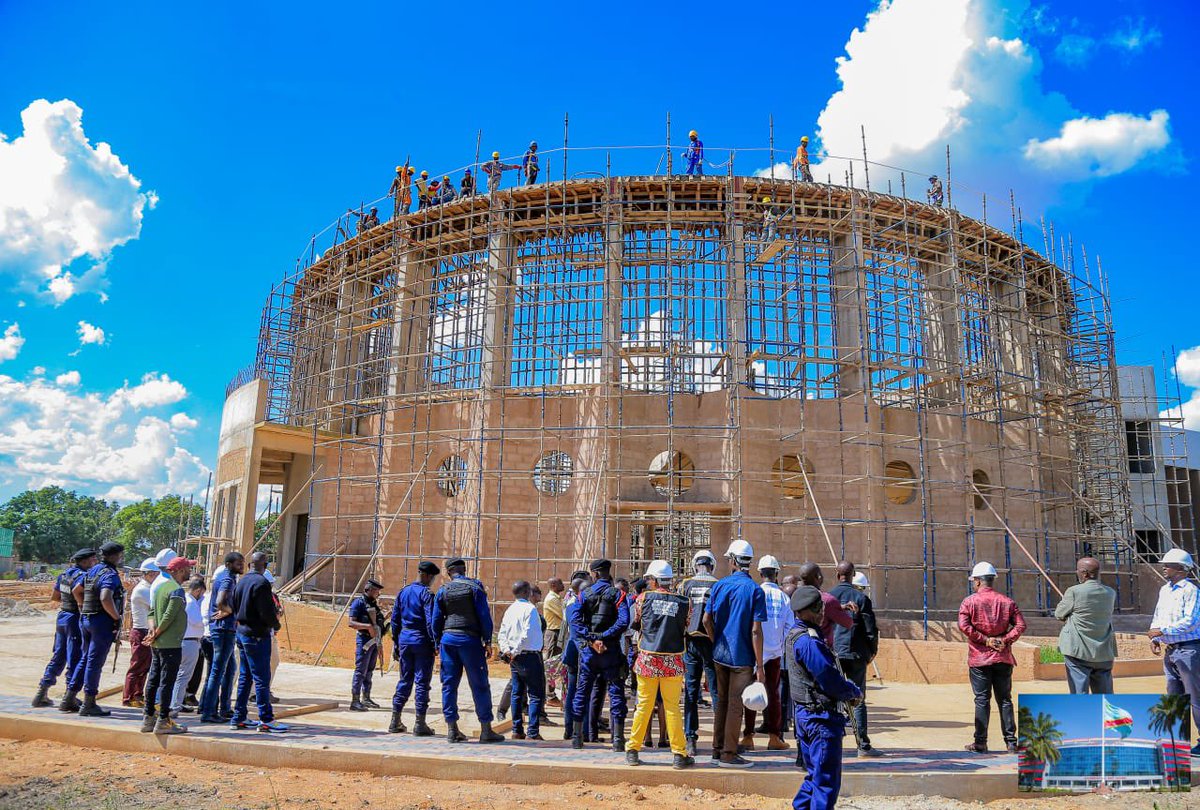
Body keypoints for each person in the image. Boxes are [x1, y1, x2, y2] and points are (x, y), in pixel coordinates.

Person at [787, 585, 862, 810]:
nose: (822, 613)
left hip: (807, 715)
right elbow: (828, 679)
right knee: (826, 782)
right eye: (817, 609)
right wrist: (852, 692)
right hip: (819, 719)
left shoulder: (796, 634)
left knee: (815, 777)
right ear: (803, 611)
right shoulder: (809, 642)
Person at [703, 539, 767, 768]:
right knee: (735, 705)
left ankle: (717, 750)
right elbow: (756, 630)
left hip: (720, 654)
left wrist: (716, 640)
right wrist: (760, 667)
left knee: (721, 703)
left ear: (732, 561)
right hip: (742, 658)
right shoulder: (755, 591)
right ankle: (729, 754)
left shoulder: (719, 585)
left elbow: (706, 620)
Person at [624, 560, 694, 769]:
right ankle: (679, 754)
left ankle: (633, 749)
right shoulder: (684, 602)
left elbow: (636, 623)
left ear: (653, 580)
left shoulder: (643, 598)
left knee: (643, 705)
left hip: (647, 659)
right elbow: (686, 625)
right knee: (672, 707)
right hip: (673, 660)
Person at [432, 557, 504, 743]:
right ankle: (486, 730)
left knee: (449, 685)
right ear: (464, 570)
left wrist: (437, 642)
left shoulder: (442, 590)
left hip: (448, 641)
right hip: (469, 640)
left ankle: (451, 729)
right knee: (479, 684)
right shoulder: (475, 587)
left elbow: (436, 620)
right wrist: (487, 640)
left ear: (448, 572)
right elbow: (484, 616)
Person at [958, 561, 1025, 754]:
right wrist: (1005, 640)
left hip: (979, 659)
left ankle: (980, 742)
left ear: (978, 581)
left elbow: (964, 626)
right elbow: (1020, 626)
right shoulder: (1007, 602)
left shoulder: (969, 602)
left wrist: (985, 640)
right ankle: (1011, 743)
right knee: (1005, 700)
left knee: (981, 700)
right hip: (1003, 659)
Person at [570, 558, 631, 751]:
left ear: (595, 574)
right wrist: (604, 637)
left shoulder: (584, 594)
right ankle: (618, 740)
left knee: (582, 692)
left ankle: (577, 738)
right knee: (615, 693)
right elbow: (623, 622)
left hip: (590, 650)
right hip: (610, 650)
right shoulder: (618, 594)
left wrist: (592, 639)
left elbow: (575, 621)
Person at [1149, 548, 1200, 755]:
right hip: (1171, 651)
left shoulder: (1191, 590)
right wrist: (1155, 637)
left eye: (1168, 564)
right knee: (1174, 696)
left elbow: (1191, 621)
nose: (1164, 567)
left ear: (1180, 568)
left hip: (1189, 650)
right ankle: (1179, 742)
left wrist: (1163, 631)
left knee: (1195, 696)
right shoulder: (1164, 590)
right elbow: (1158, 615)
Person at [67, 541, 125, 717]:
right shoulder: (109, 574)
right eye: (121, 555)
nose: (122, 558)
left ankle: (69, 697)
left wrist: (83, 607)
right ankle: (89, 702)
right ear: (115, 556)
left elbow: (77, 590)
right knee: (94, 662)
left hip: (87, 619)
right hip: (101, 622)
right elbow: (106, 597)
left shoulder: (94, 570)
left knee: (85, 659)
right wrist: (116, 617)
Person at [230, 552, 286, 733]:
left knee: (246, 677)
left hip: (242, 633)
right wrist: (275, 624)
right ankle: (266, 719)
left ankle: (239, 717)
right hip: (257, 635)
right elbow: (266, 612)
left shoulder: (242, 581)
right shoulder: (261, 583)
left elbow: (234, 605)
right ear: (265, 565)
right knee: (262, 678)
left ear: (249, 565)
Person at [830, 560, 881, 757]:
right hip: (856, 654)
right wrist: (871, 653)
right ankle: (863, 746)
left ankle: (833, 744)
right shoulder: (861, 598)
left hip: (833, 654)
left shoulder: (828, 597)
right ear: (852, 575)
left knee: (833, 699)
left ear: (837, 575)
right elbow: (870, 630)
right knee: (857, 698)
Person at [743, 554, 793, 753]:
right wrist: (779, 643)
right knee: (773, 694)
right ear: (777, 574)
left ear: (760, 573)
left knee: (751, 694)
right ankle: (774, 737)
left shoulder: (755, 593)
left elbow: (749, 624)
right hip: (774, 653)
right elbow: (789, 626)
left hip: (755, 652)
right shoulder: (783, 597)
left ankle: (748, 736)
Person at [34, 548, 95, 709]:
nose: (94, 563)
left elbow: (55, 597)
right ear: (84, 561)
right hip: (75, 618)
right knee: (75, 657)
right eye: (92, 560)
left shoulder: (64, 575)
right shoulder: (83, 577)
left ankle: (42, 692)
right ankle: (70, 697)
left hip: (62, 617)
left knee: (59, 655)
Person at [139, 556, 194, 734]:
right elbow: (169, 616)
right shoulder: (176, 590)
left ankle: (148, 718)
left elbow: (152, 613)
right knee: (167, 682)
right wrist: (157, 632)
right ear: (178, 571)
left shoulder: (161, 587)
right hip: (170, 643)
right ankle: (163, 720)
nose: (190, 572)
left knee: (153, 679)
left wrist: (151, 631)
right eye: (187, 569)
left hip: (158, 642)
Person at [390, 561, 440, 735]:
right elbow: (429, 621)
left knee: (404, 680)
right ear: (426, 576)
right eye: (432, 578)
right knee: (421, 682)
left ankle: (395, 720)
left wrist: (396, 643)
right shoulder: (426, 594)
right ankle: (420, 723)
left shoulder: (403, 592)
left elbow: (395, 621)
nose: (432, 581)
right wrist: (435, 643)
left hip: (404, 640)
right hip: (421, 642)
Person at [1055, 556, 1117, 694]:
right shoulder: (1110, 592)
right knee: (1104, 694)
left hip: (1078, 651)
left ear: (1084, 573)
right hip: (1104, 651)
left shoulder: (1074, 591)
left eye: (1078, 571)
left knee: (1079, 694)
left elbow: (1059, 613)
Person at [680, 549, 719, 757]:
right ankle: (719, 740)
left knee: (691, 691)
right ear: (712, 565)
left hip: (690, 643)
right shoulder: (718, 585)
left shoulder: (685, 585)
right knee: (715, 692)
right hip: (712, 643)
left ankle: (690, 739)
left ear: (695, 565)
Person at [200, 551, 244, 724]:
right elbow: (220, 601)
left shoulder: (228, 578)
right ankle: (209, 712)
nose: (241, 565)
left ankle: (223, 708)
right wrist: (230, 611)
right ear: (228, 564)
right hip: (223, 629)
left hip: (224, 629)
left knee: (229, 668)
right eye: (238, 563)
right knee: (217, 671)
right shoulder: (227, 579)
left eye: (242, 562)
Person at [497, 580, 545, 740]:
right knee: (536, 694)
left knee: (517, 693)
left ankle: (517, 729)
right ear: (527, 593)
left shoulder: (510, 610)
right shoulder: (530, 609)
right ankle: (532, 731)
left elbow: (502, 632)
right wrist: (515, 651)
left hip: (514, 657)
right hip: (528, 655)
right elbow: (526, 634)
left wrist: (507, 651)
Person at [123, 559, 159, 707]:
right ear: (150, 574)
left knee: (144, 667)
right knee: (137, 666)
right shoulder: (143, 589)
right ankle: (129, 697)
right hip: (141, 631)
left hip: (146, 631)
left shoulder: (148, 587)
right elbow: (157, 605)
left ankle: (137, 695)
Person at [348, 578, 387, 711]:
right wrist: (368, 627)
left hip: (374, 642)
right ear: (368, 590)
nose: (378, 593)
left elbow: (377, 622)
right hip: (364, 641)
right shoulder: (358, 603)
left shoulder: (373, 604)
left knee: (369, 671)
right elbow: (351, 623)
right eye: (376, 591)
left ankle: (366, 698)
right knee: (360, 671)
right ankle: (355, 701)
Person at [170, 575, 206, 717]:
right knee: (183, 675)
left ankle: (176, 702)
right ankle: (175, 704)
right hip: (189, 641)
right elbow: (198, 621)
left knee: (182, 675)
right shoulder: (191, 603)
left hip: (188, 640)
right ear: (197, 590)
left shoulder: (187, 600)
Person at [799, 562, 854, 647]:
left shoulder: (795, 597)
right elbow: (848, 623)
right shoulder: (827, 600)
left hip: (799, 646)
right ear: (818, 577)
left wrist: (840, 607)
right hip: (820, 647)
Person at [562, 574, 589, 741]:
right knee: (582, 691)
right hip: (582, 652)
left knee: (572, 691)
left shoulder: (570, 605)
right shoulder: (582, 606)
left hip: (572, 651)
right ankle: (581, 730)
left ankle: (569, 728)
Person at [542, 577, 566, 707]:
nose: (563, 584)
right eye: (560, 583)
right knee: (551, 664)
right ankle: (549, 695)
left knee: (557, 665)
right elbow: (564, 615)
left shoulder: (556, 597)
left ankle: (551, 694)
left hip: (557, 633)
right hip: (553, 633)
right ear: (553, 585)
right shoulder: (552, 599)